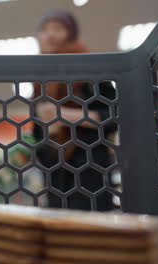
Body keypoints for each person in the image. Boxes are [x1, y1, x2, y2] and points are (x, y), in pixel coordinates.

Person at [33, 9, 116, 211]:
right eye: (44, 30)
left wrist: (65, 116)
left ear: (71, 34)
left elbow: (113, 116)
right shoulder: (38, 81)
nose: (50, 34)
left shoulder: (90, 71)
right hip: (55, 174)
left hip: (90, 168)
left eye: (58, 28)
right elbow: (36, 133)